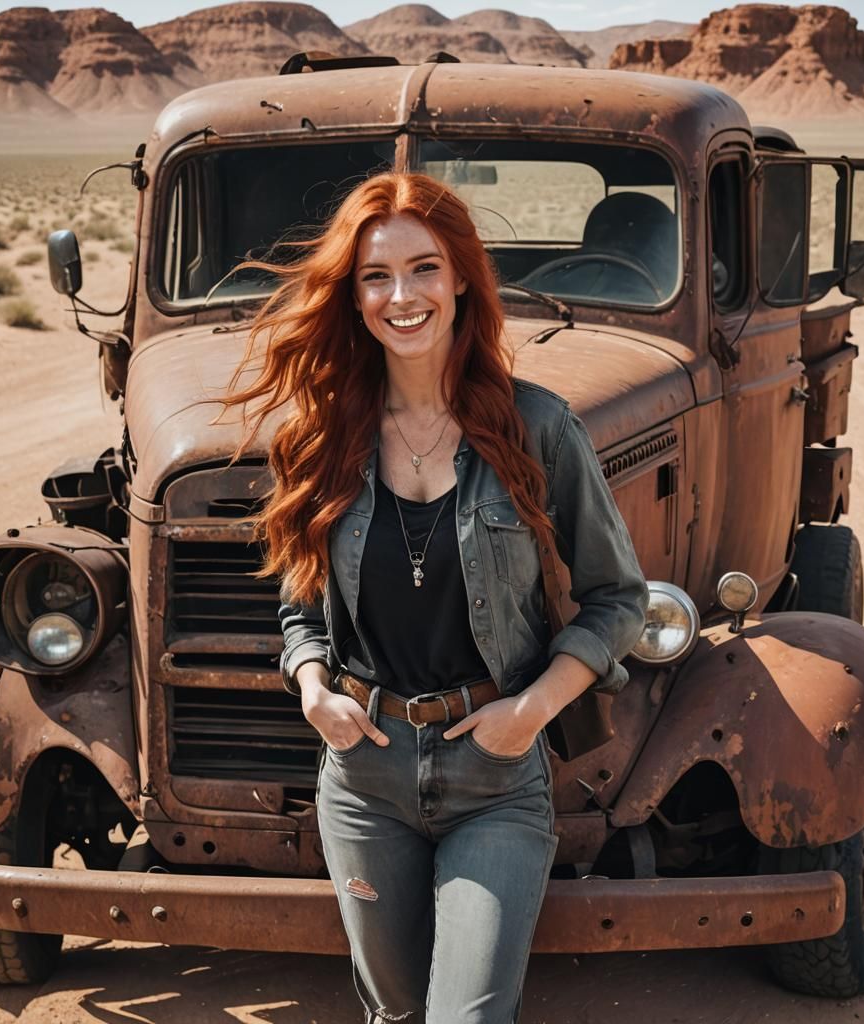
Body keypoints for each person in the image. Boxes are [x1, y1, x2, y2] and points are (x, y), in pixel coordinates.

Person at [221, 171, 649, 1024]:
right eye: (376, 276)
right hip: (363, 772)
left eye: (424, 268)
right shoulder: (319, 436)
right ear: (352, 295)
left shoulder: (538, 427)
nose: (401, 296)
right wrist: (312, 688)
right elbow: (302, 602)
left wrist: (530, 710)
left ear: (461, 278)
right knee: (396, 1013)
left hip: (494, 770)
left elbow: (618, 599)